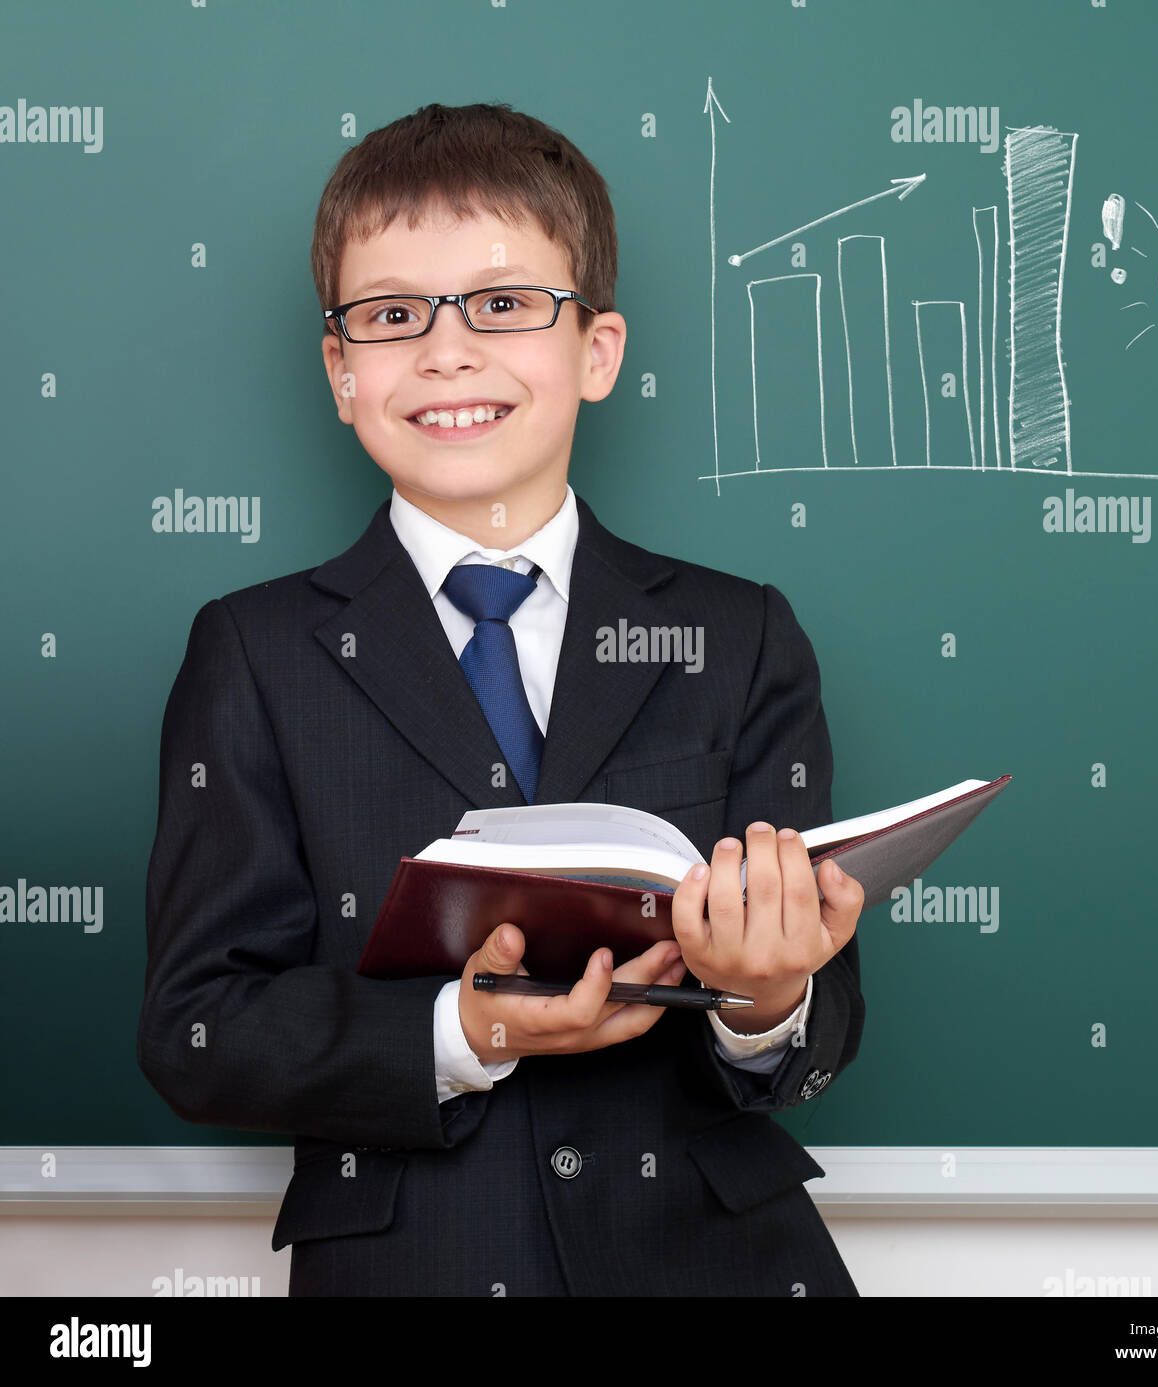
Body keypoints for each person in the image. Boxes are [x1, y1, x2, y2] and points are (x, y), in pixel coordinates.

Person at [138, 100, 866, 1297]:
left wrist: (769, 993)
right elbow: (198, 1028)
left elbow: (821, 1021)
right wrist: (462, 1032)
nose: (446, 352)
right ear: (339, 373)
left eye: (503, 303)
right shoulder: (254, 653)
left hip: (715, 1261)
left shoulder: (737, 634)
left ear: (598, 351)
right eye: (391, 316)